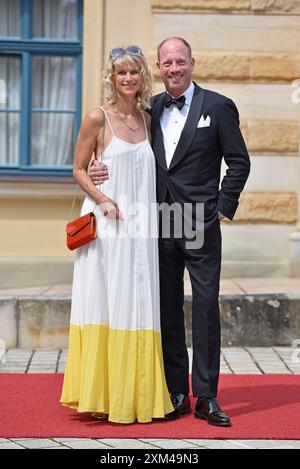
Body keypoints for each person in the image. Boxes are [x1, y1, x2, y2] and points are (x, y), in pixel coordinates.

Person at [90, 37, 251, 427]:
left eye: (181, 62)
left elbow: (238, 162)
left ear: (192, 63)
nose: (174, 69)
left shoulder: (218, 106)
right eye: (167, 63)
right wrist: (98, 166)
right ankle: (176, 391)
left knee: (206, 307)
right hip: (157, 221)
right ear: (159, 68)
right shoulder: (151, 109)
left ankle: (207, 396)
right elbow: (123, 150)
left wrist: (220, 210)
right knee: (166, 309)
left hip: (200, 223)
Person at [60, 45, 174, 424]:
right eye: (120, 73)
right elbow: (77, 168)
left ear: (143, 76)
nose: (127, 78)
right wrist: (102, 197)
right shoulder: (98, 118)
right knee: (108, 303)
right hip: (107, 226)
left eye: (134, 72)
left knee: (139, 303)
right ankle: (104, 396)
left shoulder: (148, 119)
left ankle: (139, 397)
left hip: (141, 228)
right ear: (111, 77)